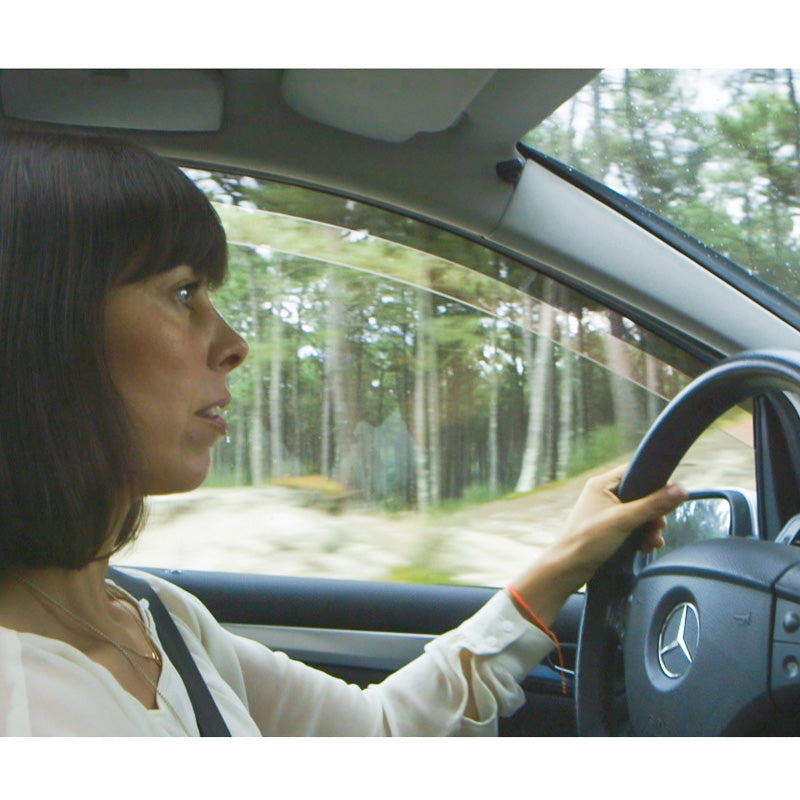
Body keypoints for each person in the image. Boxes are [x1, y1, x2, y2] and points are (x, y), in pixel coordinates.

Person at [0, 130, 687, 736]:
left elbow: (378, 733)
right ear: (42, 332)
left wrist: (568, 558)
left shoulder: (157, 617)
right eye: (184, 294)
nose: (234, 344)